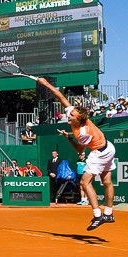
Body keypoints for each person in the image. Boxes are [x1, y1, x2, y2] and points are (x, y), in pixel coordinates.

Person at [35, 76, 116, 230]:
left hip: (99, 153)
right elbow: (60, 97)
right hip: (109, 147)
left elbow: (80, 150)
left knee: (84, 183)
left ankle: (98, 215)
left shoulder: (82, 132)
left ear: (78, 119)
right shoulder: (77, 117)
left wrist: (68, 138)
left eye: (71, 116)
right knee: (107, 182)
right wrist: (46, 84)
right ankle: (109, 213)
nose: (68, 116)